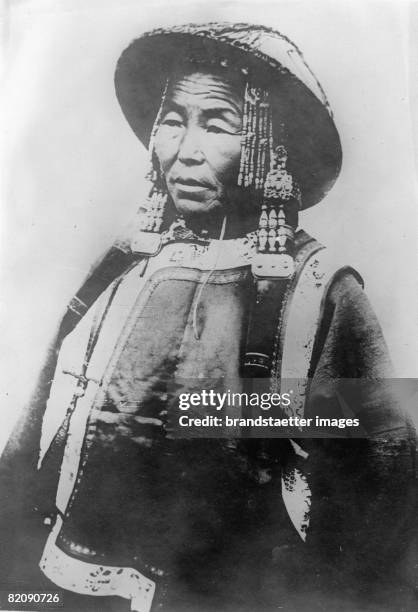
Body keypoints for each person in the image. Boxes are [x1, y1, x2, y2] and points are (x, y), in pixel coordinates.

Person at [0, 22, 416, 612]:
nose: (185, 149)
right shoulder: (122, 269)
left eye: (216, 124)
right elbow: (39, 432)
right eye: (172, 119)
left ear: (272, 147)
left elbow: (380, 469)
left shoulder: (319, 288)